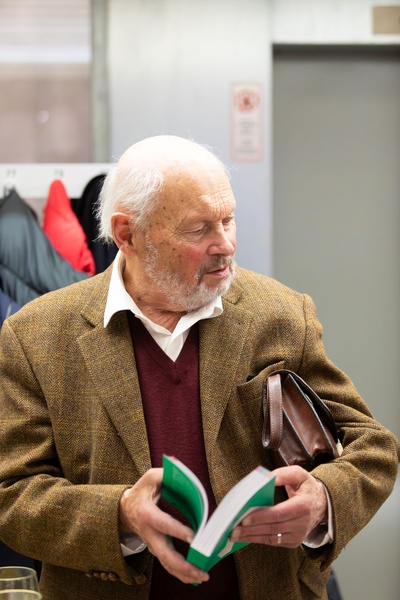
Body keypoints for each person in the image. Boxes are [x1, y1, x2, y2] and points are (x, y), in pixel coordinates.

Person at [0, 135, 398, 600]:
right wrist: (119, 514)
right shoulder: (37, 335)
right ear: (127, 234)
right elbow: (11, 492)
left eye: (229, 220)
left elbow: (374, 448)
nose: (225, 245)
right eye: (198, 229)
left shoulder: (283, 314)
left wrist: (323, 500)